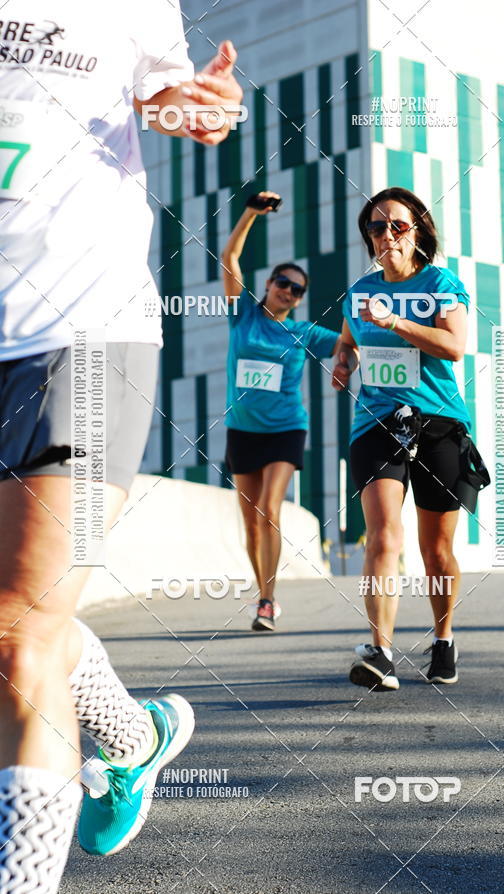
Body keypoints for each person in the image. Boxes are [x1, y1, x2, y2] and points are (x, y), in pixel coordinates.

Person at [0, 2, 242, 890]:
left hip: (84, 321)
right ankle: (133, 739)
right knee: (17, 617)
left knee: (23, 623)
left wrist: (203, 105)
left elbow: (173, 101)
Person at [332, 186, 489, 690]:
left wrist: (396, 321)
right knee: (383, 536)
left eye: (397, 225)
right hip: (377, 423)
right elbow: (348, 340)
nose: (387, 234)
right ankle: (380, 650)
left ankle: (443, 640)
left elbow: (454, 346)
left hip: (439, 423)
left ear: (417, 232)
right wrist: (343, 362)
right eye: (376, 227)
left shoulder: (441, 282)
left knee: (436, 550)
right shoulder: (360, 292)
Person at [221, 192, 341, 632]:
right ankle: (263, 590)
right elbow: (230, 254)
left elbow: (351, 340)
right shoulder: (242, 316)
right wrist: (251, 213)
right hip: (243, 430)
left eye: (297, 289)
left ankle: (268, 601)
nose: (288, 291)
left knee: (270, 508)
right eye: (282, 282)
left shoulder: (304, 331)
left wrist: (348, 360)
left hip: (287, 427)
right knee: (251, 522)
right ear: (269, 283)